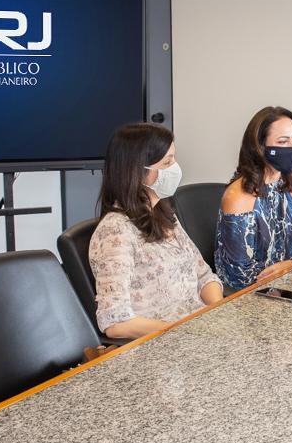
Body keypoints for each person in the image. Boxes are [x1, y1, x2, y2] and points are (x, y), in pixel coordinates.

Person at [89, 123, 223, 339]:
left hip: (197, 331)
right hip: (164, 341)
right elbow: (115, 322)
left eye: (173, 159)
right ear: (136, 171)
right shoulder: (116, 231)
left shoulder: (163, 213)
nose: (175, 168)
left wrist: (219, 313)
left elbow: (204, 276)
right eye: (167, 162)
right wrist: (183, 330)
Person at [215, 106, 292, 290]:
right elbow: (239, 276)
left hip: (290, 287)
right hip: (248, 295)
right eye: (283, 141)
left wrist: (289, 266)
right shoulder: (238, 197)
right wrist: (290, 268)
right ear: (259, 146)